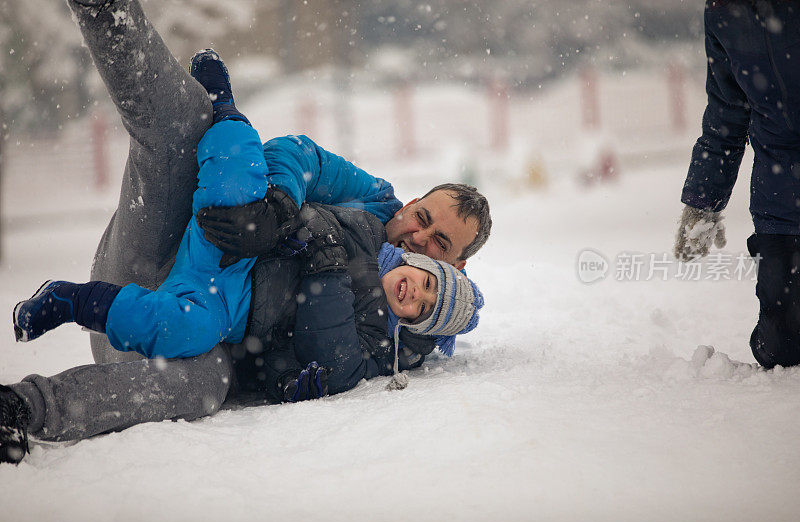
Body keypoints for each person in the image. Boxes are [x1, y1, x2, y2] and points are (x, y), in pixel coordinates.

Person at [1, 49, 484, 466]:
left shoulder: (407, 328)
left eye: (439, 244)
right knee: (200, 145)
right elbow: (300, 154)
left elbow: (332, 360)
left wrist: (286, 377)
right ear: (415, 200)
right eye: (423, 216)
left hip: (202, 322)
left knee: (202, 385)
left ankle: (23, 410)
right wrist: (279, 205)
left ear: (456, 266)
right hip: (195, 241)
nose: (419, 238)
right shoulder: (372, 204)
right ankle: (208, 93)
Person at [674, 0, 800, 368]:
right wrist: (702, 202)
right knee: (781, 348)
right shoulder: (723, 14)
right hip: (781, 204)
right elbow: (727, 114)